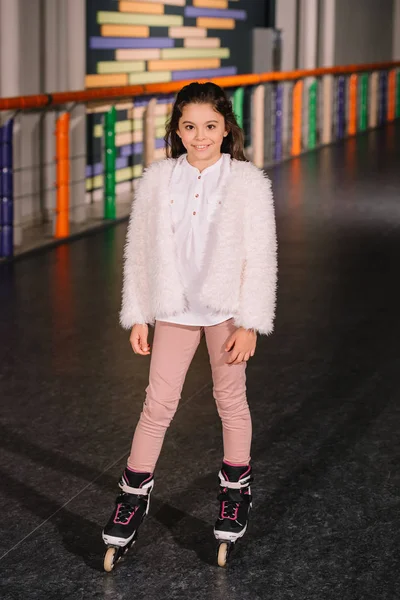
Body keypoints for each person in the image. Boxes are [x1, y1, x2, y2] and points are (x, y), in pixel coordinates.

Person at [102, 81, 277, 569]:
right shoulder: (159, 179)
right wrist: (137, 312)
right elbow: (140, 250)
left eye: (210, 127)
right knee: (157, 404)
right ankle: (132, 495)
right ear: (177, 131)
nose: (201, 136)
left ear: (226, 129)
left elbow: (260, 257)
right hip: (173, 309)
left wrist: (250, 322)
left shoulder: (247, 182)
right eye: (190, 127)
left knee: (230, 400)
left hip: (225, 311)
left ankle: (235, 489)